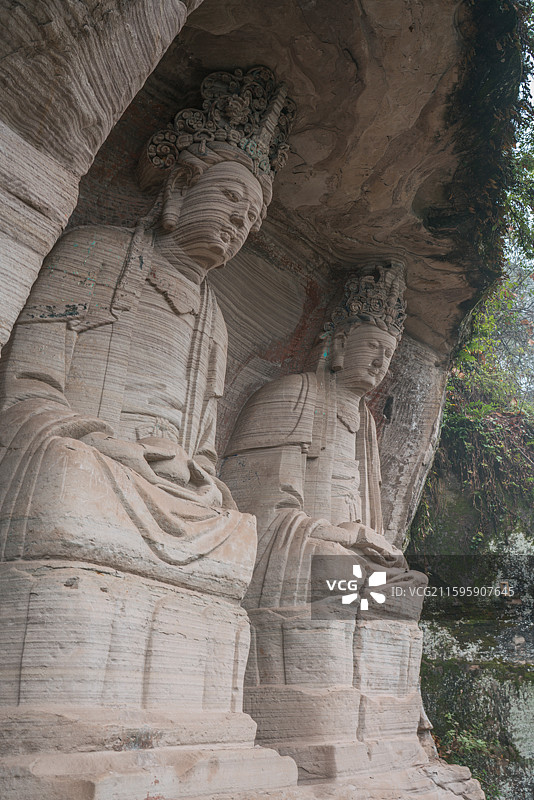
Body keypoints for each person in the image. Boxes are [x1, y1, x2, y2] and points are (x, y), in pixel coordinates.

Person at [0, 68, 300, 797]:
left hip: (166, 484)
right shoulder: (95, 254)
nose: (238, 225)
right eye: (229, 199)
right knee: (67, 474)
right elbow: (28, 385)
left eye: (252, 220)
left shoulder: (216, 323)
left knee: (237, 526)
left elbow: (200, 441)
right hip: (93, 455)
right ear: (178, 188)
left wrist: (198, 470)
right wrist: (106, 443)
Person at [221, 262, 428, 780]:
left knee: (409, 586)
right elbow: (259, 509)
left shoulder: (365, 430)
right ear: (336, 341)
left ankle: (383, 730)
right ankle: (314, 725)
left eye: (390, 353)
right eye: (371, 346)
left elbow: (366, 520)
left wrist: (368, 538)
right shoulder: (295, 394)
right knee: (334, 568)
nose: (382, 362)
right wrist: (343, 533)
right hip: (294, 550)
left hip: (344, 551)